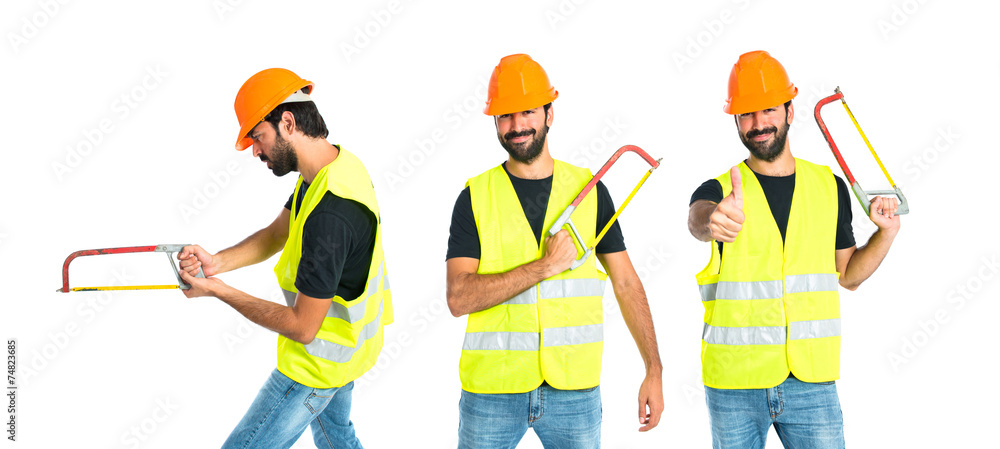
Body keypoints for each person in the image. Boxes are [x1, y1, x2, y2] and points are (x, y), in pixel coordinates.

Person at [446, 54, 663, 448]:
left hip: (574, 391)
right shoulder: (474, 197)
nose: (516, 126)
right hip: (492, 390)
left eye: (527, 111)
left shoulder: (591, 191)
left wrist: (654, 370)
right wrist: (543, 266)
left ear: (549, 113)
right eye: (505, 116)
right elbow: (459, 298)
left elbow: (627, 283)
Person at [687, 50, 901, 448]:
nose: (758, 123)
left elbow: (848, 275)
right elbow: (698, 220)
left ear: (789, 109)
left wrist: (885, 234)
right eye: (746, 114)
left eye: (767, 109)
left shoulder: (829, 186)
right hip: (735, 382)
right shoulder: (717, 191)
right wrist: (712, 218)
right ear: (735, 120)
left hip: (811, 383)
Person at [177, 68, 392, 449]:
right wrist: (216, 262)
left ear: (288, 122)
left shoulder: (332, 212)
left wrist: (219, 291)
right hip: (347, 351)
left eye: (257, 137)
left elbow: (303, 326)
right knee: (337, 438)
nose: (256, 151)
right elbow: (280, 231)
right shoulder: (333, 168)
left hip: (316, 363)